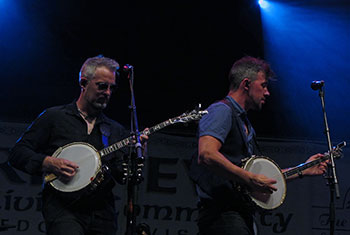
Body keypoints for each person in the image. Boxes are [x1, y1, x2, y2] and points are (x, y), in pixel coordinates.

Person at [189, 56, 328, 235]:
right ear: (246, 84)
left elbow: (260, 177)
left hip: (240, 215)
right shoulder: (221, 111)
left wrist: (303, 169)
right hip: (222, 216)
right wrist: (249, 178)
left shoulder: (245, 124)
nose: (267, 92)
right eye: (263, 85)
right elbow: (206, 154)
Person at [9, 55, 147, 235]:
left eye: (111, 88)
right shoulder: (55, 117)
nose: (107, 93)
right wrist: (48, 162)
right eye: (102, 86)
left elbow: (122, 176)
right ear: (83, 83)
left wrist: (139, 154)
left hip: (102, 213)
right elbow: (17, 153)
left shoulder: (114, 129)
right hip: (63, 209)